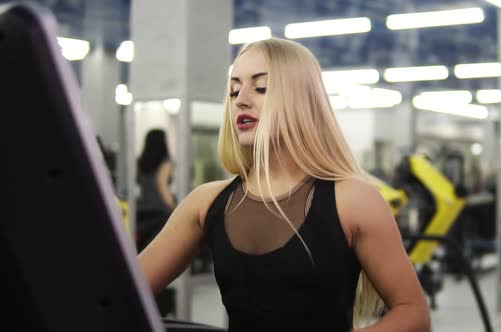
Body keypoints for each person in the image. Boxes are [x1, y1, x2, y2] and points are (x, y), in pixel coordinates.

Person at [139, 38, 430, 331]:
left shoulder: (353, 200)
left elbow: (413, 313)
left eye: (261, 87)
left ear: (300, 99)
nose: (240, 99)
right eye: (234, 89)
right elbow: (121, 290)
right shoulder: (205, 203)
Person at [136, 128, 176, 252]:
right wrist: (174, 208)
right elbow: (162, 185)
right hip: (160, 211)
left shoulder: (140, 161)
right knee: (157, 249)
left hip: (142, 210)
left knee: (142, 249)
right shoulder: (166, 161)